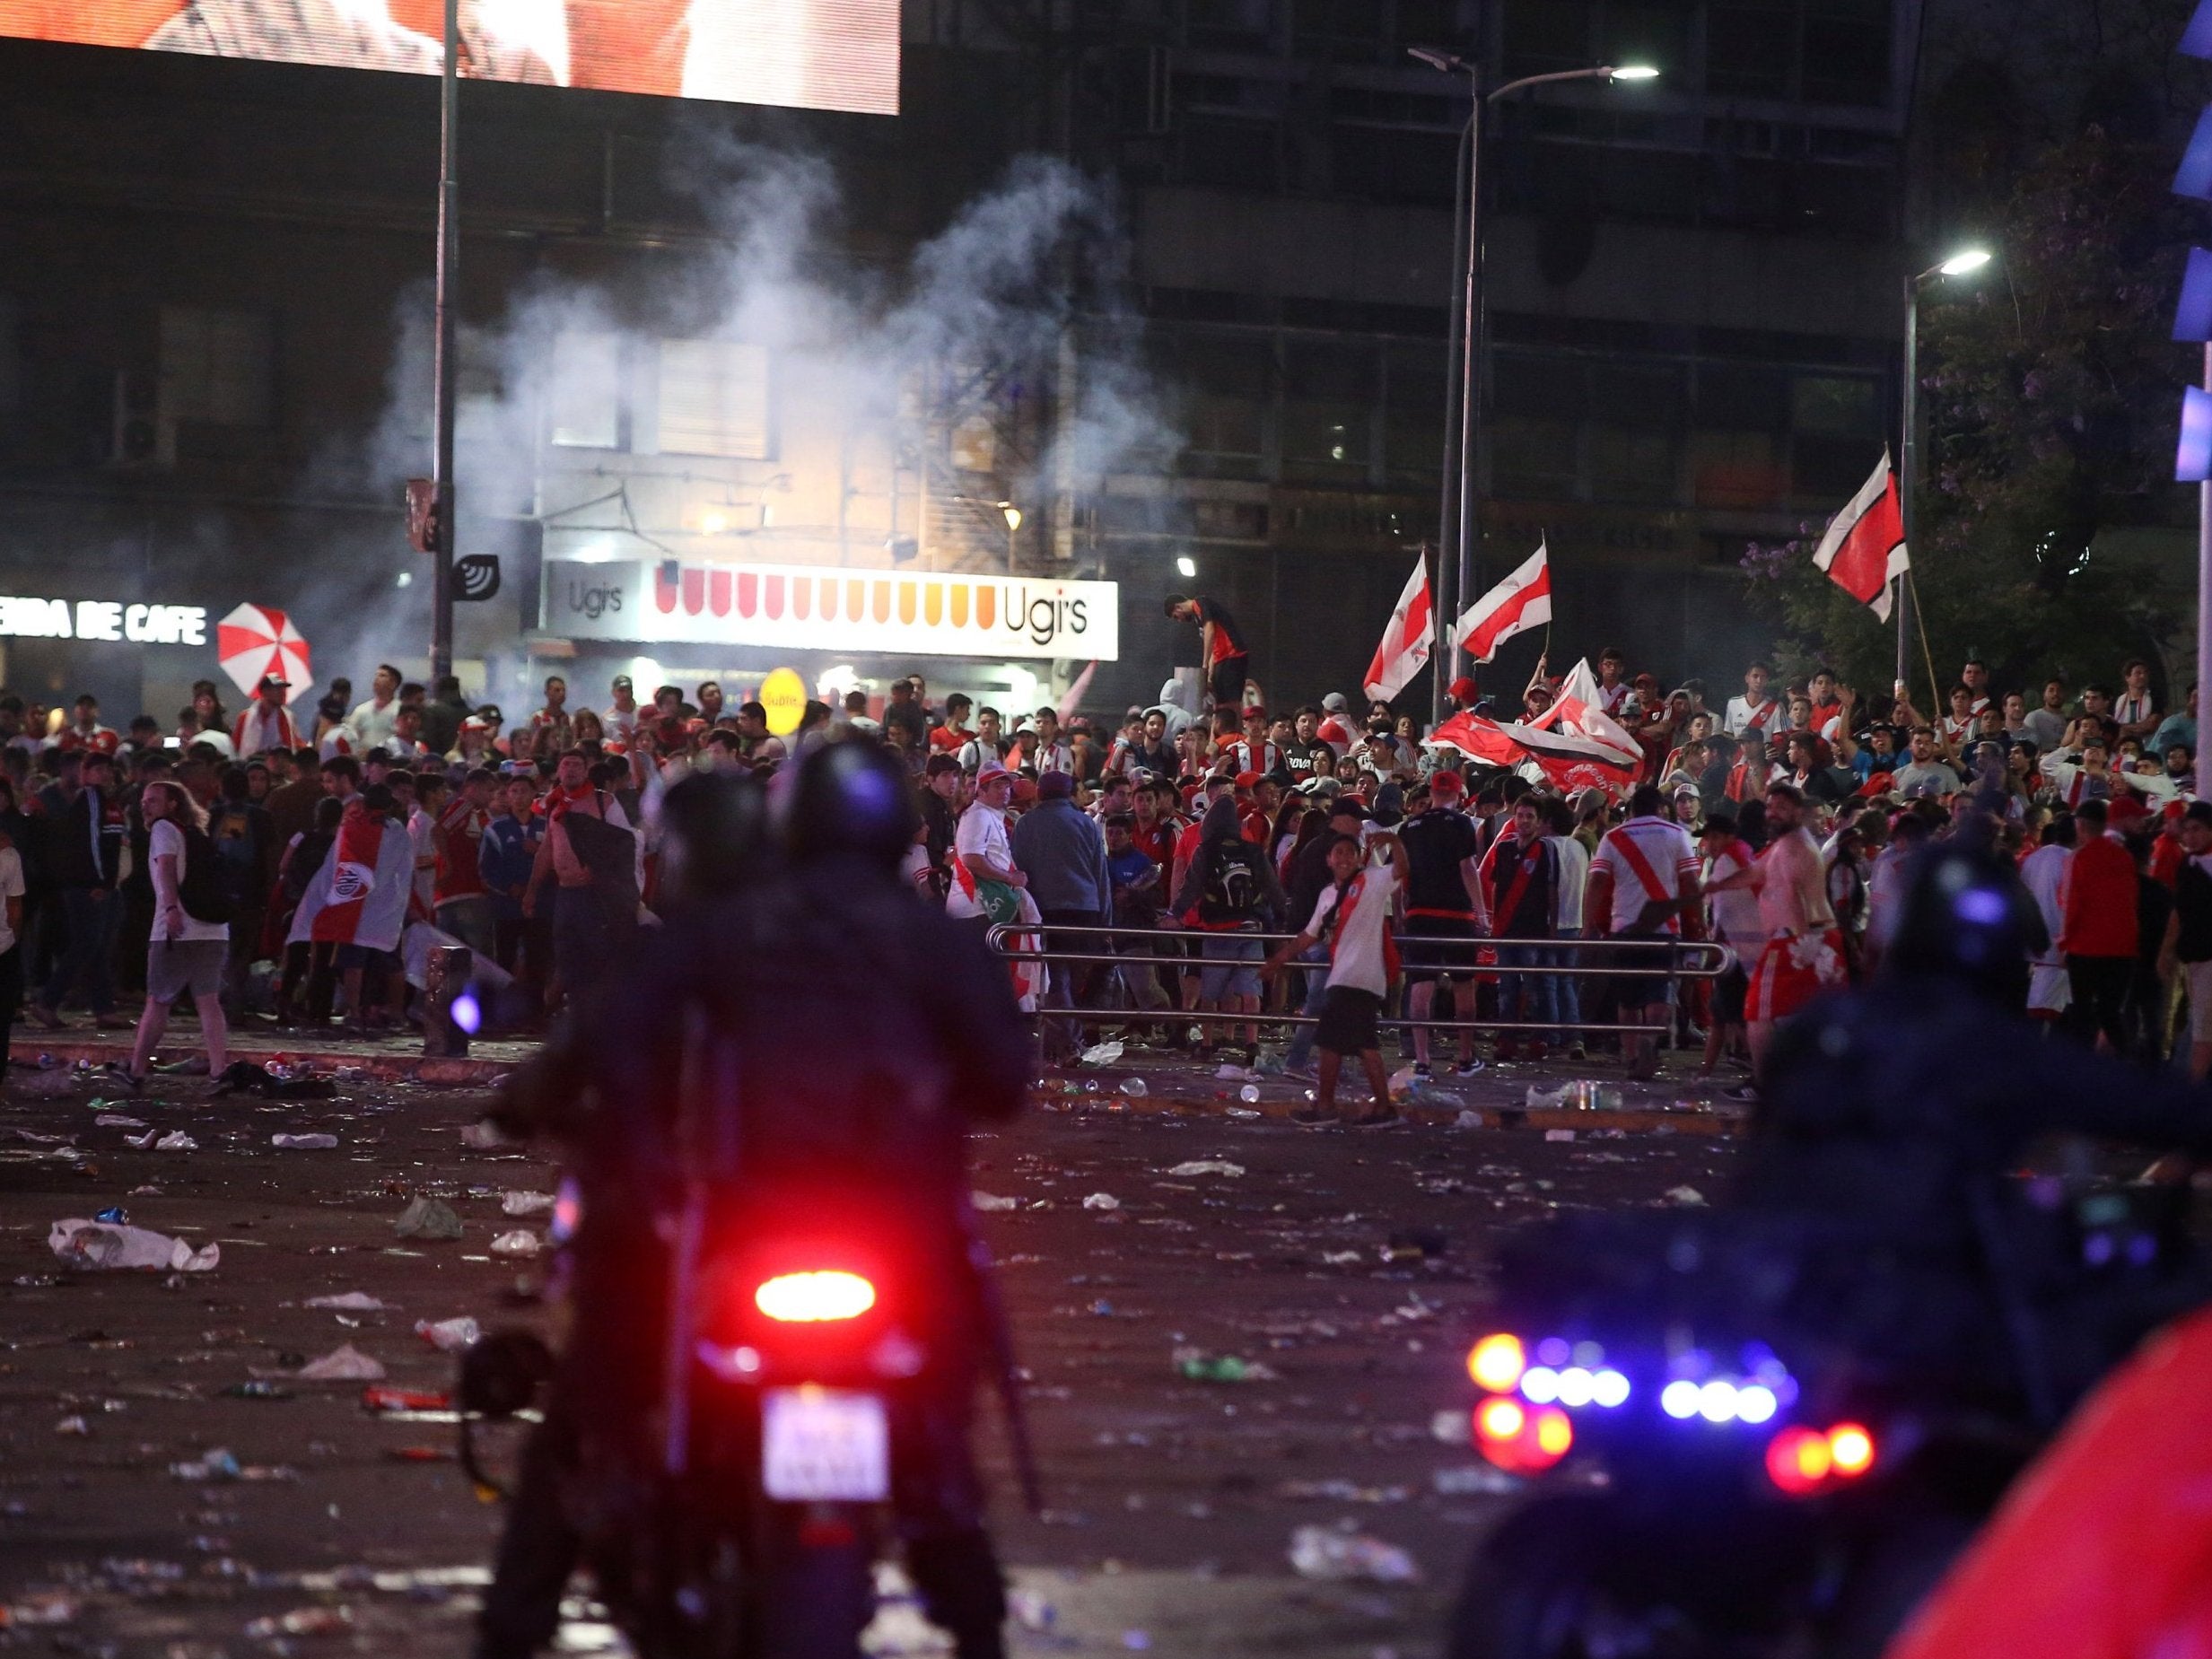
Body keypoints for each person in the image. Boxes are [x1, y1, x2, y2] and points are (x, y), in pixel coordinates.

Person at [477, 747, 1029, 1659]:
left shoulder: (730, 928)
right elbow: (1006, 1080)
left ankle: (510, 1632)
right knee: (934, 1444)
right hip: (893, 1241)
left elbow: (609, 1038)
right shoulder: (931, 937)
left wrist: (535, 1094)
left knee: (589, 1417)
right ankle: (974, 1616)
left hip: (740, 1228)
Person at [1263, 827, 1407, 1128]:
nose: (1344, 858)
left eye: (1350, 853)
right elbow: (1308, 935)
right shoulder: (1327, 895)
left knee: (1341, 1041)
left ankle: (1334, 1106)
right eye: (1338, 852)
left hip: (1359, 976)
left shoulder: (1372, 880)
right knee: (1353, 1043)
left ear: (1359, 858)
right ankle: (1372, 1106)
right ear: (1328, 859)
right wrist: (1279, 959)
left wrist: (1394, 842)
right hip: (1345, 977)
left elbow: (1402, 869)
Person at [1707, 781, 1845, 1091]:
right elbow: (1756, 873)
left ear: (1798, 811)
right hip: (1814, 940)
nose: (1773, 813)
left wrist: (1800, 939)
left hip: (1800, 940)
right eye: (1770, 807)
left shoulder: (1795, 847)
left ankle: (1764, 1083)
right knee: (1813, 1015)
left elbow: (1795, 895)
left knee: (1758, 1011)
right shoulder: (1786, 844)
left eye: (1781, 808)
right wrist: (1716, 886)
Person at [1586, 783, 1703, 1080]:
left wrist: (1589, 925)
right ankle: (1650, 1041)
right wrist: (1698, 923)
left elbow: (1597, 882)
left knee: (1627, 1000)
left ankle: (1632, 1055)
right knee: (1657, 994)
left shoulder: (1613, 837)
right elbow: (1690, 882)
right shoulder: (1677, 835)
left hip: (1625, 927)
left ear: (1632, 809)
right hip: (1664, 928)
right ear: (1661, 809)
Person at [118, 779, 229, 1091]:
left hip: (176, 929)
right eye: (144, 799)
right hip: (214, 928)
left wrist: (170, 909)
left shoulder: (164, 829)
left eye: (153, 800)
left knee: (158, 1001)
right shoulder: (197, 834)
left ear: (172, 804)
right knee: (208, 1001)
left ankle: (137, 1070)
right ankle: (220, 1070)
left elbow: (166, 869)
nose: (145, 804)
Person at [1010, 771, 1112, 1064]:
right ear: (1069, 793)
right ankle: (1067, 1043)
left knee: (1056, 980)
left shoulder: (1026, 824)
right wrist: (1106, 920)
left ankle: (1065, 1044)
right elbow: (1100, 874)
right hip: (1086, 910)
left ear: (1040, 793)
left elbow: (1019, 872)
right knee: (1072, 981)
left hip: (1045, 909)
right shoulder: (1085, 823)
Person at [29, 749, 129, 1031]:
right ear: (86, 774)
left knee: (98, 948)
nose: (105, 774)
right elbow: (94, 845)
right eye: (97, 769)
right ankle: (48, 1001)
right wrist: (102, 883)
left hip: (102, 885)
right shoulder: (92, 799)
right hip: (90, 887)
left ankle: (104, 1009)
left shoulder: (108, 802)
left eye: (108, 769)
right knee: (87, 944)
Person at [2060, 797, 2138, 1054]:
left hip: (2085, 947)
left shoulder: (2079, 858)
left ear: (2080, 825)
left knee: (2082, 1012)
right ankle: (2127, 1066)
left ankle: (2081, 1074)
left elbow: (2072, 904)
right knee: (2110, 1012)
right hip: (2123, 948)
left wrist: (2064, 942)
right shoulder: (2124, 857)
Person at [1164, 592, 1249, 712]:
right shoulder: (1198, 620)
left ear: (1178, 607)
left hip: (1232, 654)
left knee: (1231, 701)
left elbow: (1210, 631)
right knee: (1220, 700)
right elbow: (1213, 647)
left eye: (1176, 616)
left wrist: (1204, 666)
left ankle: (1234, 729)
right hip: (1221, 658)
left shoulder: (1200, 603)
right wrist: (1209, 676)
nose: (1179, 620)